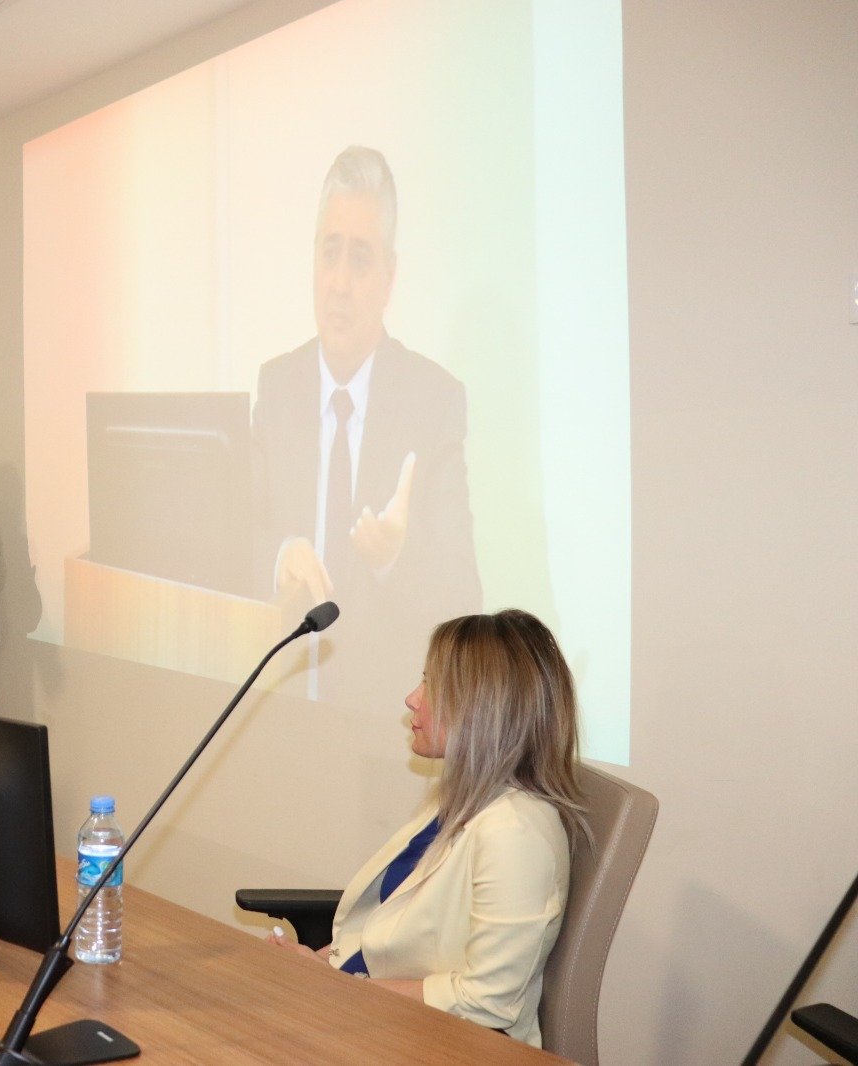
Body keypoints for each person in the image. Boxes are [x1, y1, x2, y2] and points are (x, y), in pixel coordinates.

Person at [270, 609, 589, 1047]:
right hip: (379, 1019)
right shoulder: (461, 797)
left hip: (439, 1044)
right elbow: (386, 929)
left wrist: (339, 989)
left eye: (432, 685)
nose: (412, 699)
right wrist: (316, 966)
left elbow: (487, 1003)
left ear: (482, 708)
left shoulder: (516, 833)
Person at [251, 145, 481, 702]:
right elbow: (240, 532)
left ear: (389, 277)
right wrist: (280, 555)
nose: (339, 282)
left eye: (360, 259)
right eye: (329, 253)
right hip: (278, 712)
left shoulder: (433, 402)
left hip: (383, 727)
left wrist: (395, 559)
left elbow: (465, 604)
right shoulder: (277, 387)